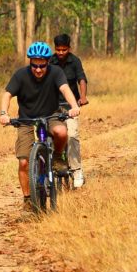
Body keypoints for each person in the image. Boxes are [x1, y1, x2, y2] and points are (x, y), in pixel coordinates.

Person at [0, 41, 80, 211]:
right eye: (34, 65)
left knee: (61, 131)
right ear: (30, 62)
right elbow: (7, 94)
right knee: (23, 162)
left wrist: (73, 107)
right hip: (26, 120)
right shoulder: (20, 75)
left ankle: (58, 157)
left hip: (51, 115)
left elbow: (65, 89)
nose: (38, 69)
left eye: (42, 66)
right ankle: (28, 198)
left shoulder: (56, 73)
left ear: (47, 63)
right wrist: (3, 113)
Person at [51, 33, 89, 188]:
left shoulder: (75, 61)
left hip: (70, 106)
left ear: (69, 48)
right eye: (58, 50)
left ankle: (76, 170)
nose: (61, 53)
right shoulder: (49, 61)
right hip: (51, 105)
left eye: (64, 50)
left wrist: (83, 97)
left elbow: (81, 79)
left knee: (72, 135)